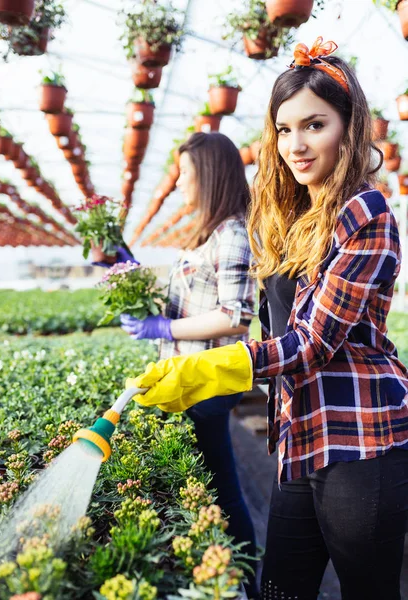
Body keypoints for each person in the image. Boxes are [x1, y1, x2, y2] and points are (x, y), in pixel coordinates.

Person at [128, 38, 408, 600]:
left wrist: (215, 368)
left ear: (350, 128)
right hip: (298, 435)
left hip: (359, 437)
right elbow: (271, 324)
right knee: (280, 587)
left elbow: (312, 343)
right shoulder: (296, 216)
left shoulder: (367, 214)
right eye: (283, 130)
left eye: (314, 125)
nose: (295, 145)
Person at [121, 132, 259, 599]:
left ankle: (248, 579)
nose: (179, 184)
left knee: (221, 485)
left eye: (186, 174)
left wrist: (164, 330)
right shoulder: (208, 232)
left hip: (208, 382)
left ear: (212, 174)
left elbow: (236, 317)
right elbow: (190, 302)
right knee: (212, 480)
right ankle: (236, 575)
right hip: (189, 377)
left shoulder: (234, 234)